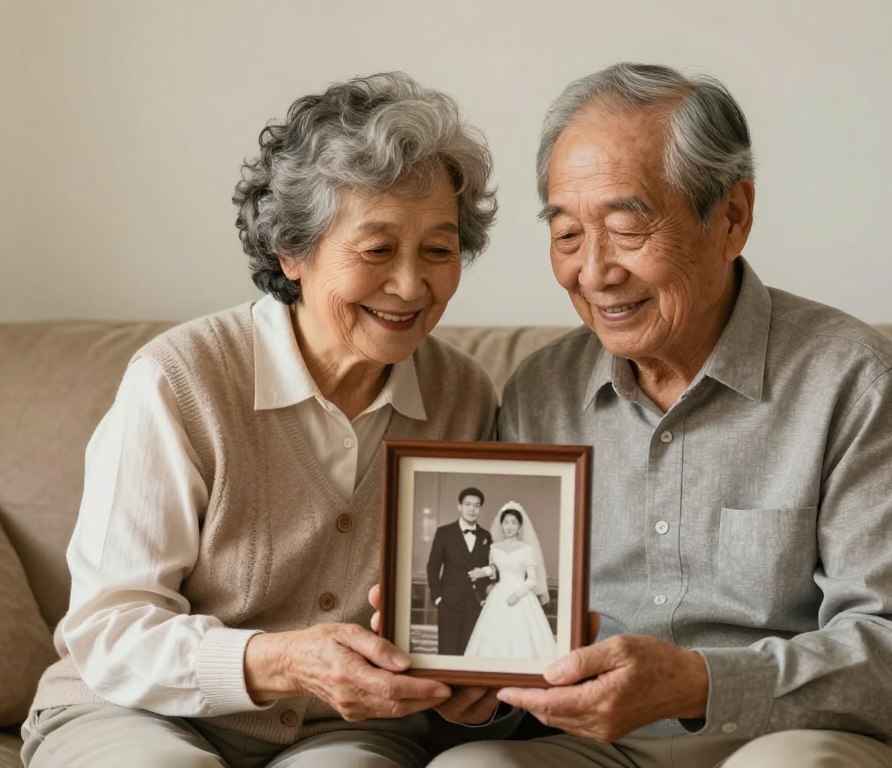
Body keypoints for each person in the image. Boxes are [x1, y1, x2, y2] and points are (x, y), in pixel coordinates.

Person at [429, 63, 892, 767]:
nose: (594, 272)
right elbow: (524, 638)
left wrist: (700, 684)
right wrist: (479, 691)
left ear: (732, 216)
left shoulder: (856, 381)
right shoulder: (540, 391)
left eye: (625, 228)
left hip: (810, 737)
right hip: (602, 747)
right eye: (566, 236)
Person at [21, 72, 502, 768]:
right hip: (133, 710)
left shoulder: (463, 395)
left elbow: (466, 617)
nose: (410, 285)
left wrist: (478, 686)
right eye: (376, 250)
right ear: (292, 252)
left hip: (335, 732)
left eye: (439, 249)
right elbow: (108, 629)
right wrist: (278, 660)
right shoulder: (181, 379)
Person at [464, 503, 556, 661]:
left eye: (514, 522)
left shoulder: (527, 548)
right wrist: (481, 572)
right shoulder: (494, 548)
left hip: (521, 595)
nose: (509, 526)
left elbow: (533, 580)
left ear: (520, 526)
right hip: (498, 594)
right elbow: (494, 569)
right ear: (501, 525)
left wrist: (517, 594)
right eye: (506, 522)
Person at [426, 487, 495, 656]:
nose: (472, 509)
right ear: (459, 506)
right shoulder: (444, 532)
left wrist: (484, 577)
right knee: (447, 653)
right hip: (448, 602)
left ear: (480, 509)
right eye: (468, 504)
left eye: (477, 506)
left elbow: (493, 568)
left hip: (476, 603)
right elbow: (433, 566)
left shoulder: (486, 536)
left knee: (471, 652)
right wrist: (438, 598)